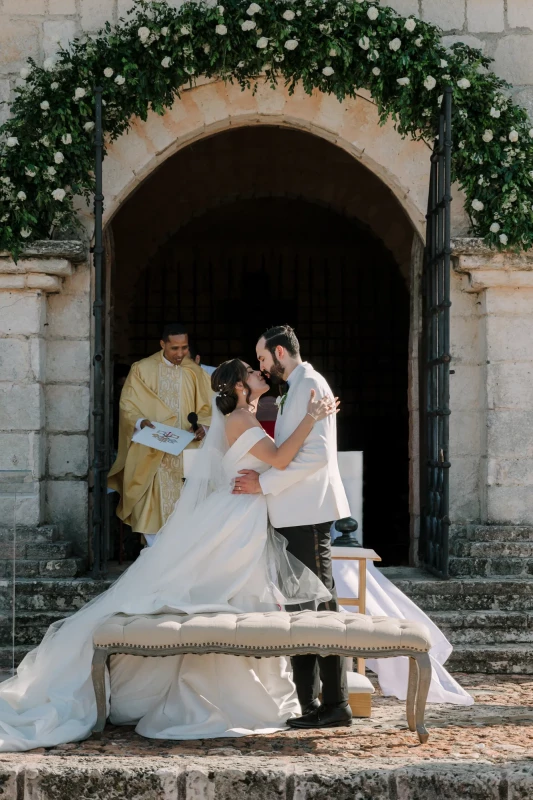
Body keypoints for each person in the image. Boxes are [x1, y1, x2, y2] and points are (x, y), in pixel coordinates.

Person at [0, 359, 338, 751]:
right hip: (238, 520)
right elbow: (279, 459)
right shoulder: (242, 420)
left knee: (235, 598)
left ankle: (241, 685)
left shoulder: (243, 417)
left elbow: (269, 459)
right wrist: (312, 419)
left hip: (243, 513)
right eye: (251, 371)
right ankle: (231, 689)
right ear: (239, 388)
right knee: (227, 597)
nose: (260, 374)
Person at [233, 325, 353, 729]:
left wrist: (263, 483)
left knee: (319, 607)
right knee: (301, 608)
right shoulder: (296, 387)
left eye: (264, 359)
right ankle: (310, 704)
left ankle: (336, 704)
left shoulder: (309, 384)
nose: (263, 368)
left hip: (307, 512)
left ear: (280, 352)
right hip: (293, 513)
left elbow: (316, 456)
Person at [107, 324, 212, 541]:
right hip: (152, 454)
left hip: (186, 453)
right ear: (162, 344)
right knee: (152, 512)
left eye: (184, 348)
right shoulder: (142, 369)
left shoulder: (194, 371)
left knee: (191, 517)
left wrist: (203, 426)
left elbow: (208, 407)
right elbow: (127, 404)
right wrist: (140, 421)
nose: (180, 353)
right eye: (174, 348)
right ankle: (154, 558)